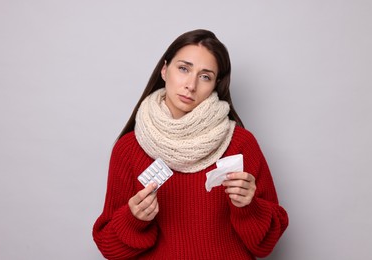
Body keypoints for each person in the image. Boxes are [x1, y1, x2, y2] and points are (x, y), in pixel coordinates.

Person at [92, 29, 289, 259]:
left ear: (216, 84)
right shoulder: (128, 149)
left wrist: (249, 206)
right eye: (183, 69)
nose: (191, 85)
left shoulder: (241, 143)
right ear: (165, 70)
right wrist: (134, 219)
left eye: (205, 76)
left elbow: (266, 244)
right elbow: (109, 247)